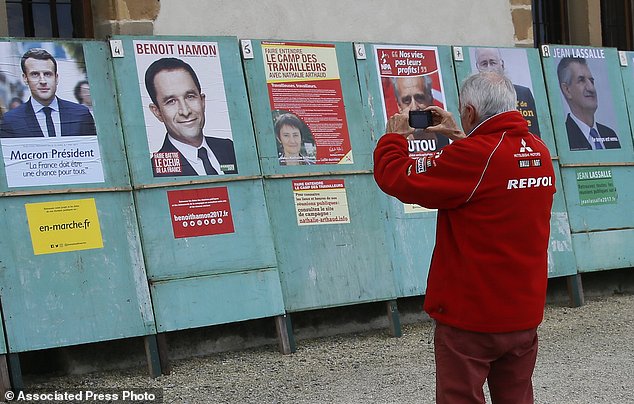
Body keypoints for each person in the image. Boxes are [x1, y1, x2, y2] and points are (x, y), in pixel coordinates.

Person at [374, 72, 555, 403]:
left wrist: (394, 139)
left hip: (472, 316)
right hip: (522, 313)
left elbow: (399, 179)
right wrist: (459, 134)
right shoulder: (539, 151)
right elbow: (491, 172)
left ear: (470, 111)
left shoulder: (474, 156)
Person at [144, 57, 237, 176]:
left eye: (190, 96)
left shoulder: (229, 148)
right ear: (157, 112)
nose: (185, 111)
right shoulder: (153, 171)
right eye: (171, 101)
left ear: (202, 101)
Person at [0, 48, 96, 138]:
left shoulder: (80, 114)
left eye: (47, 74)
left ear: (56, 78)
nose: (43, 81)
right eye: (35, 74)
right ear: (25, 78)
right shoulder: (11, 120)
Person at [557, 57, 621, 151]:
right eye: (581, 80)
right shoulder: (563, 137)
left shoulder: (610, 134)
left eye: (591, 81)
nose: (591, 88)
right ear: (567, 90)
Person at [474, 47, 541, 136]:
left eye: (493, 62)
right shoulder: (473, 97)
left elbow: (534, 131)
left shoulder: (523, 93)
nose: (489, 68)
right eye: (484, 64)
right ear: (478, 67)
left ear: (502, 65)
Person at [392, 76, 449, 149]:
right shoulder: (396, 149)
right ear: (399, 106)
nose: (414, 107)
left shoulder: (448, 142)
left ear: (430, 98)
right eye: (406, 100)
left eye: (419, 98)